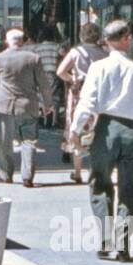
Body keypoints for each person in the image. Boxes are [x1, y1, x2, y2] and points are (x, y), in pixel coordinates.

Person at [68, 19, 133, 262]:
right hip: (131, 130)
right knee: (131, 188)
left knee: (100, 182)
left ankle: (105, 240)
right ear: (127, 39)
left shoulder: (98, 68)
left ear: (106, 41)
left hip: (105, 129)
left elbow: (87, 102)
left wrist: (75, 130)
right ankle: (124, 244)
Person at [0, 27, 48, 187]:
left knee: (4, 141)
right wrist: (48, 103)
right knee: (29, 140)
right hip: (28, 105)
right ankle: (27, 176)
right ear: (23, 41)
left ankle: (5, 174)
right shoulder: (33, 58)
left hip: (5, 105)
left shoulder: (0, 58)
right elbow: (43, 83)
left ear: (7, 41)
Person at [57, 22, 108, 183]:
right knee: (96, 129)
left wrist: (74, 79)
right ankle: (96, 169)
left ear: (81, 35)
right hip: (99, 94)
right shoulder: (104, 53)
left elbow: (60, 71)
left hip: (79, 93)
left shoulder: (76, 52)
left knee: (77, 129)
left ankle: (77, 171)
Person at [32, 22, 63, 128]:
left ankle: (43, 118)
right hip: (53, 73)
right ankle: (54, 120)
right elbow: (63, 54)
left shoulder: (37, 48)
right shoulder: (56, 46)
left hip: (41, 73)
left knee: (42, 96)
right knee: (54, 96)